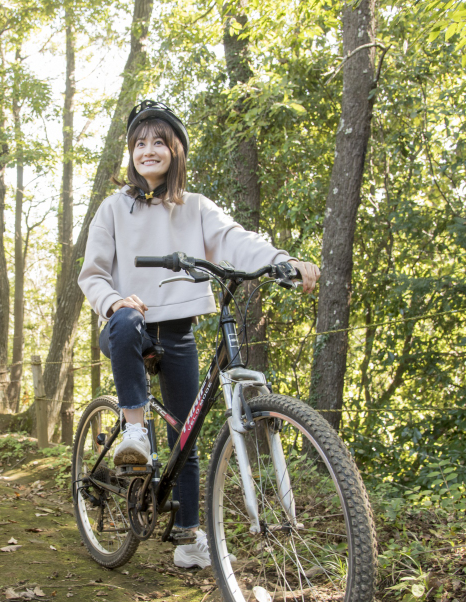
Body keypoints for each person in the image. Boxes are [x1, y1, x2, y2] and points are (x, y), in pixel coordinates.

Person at [78, 101, 320, 569]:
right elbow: (92, 274)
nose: (148, 150)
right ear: (130, 154)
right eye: (139, 143)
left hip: (178, 332)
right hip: (127, 328)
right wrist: (114, 301)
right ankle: (133, 431)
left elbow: (235, 238)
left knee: (186, 435)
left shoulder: (196, 208)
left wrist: (279, 260)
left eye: (158, 142)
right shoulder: (113, 208)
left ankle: (190, 535)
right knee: (127, 322)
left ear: (176, 150)